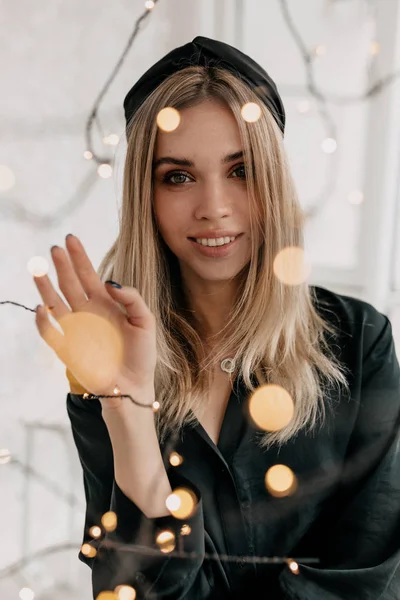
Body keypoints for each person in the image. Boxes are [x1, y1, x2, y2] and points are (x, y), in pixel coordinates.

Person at [33, 37, 400, 600]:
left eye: (241, 170)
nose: (214, 207)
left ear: (274, 180)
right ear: (145, 195)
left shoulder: (358, 344)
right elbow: (125, 588)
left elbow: (369, 579)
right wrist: (128, 413)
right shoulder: (106, 349)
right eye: (177, 176)